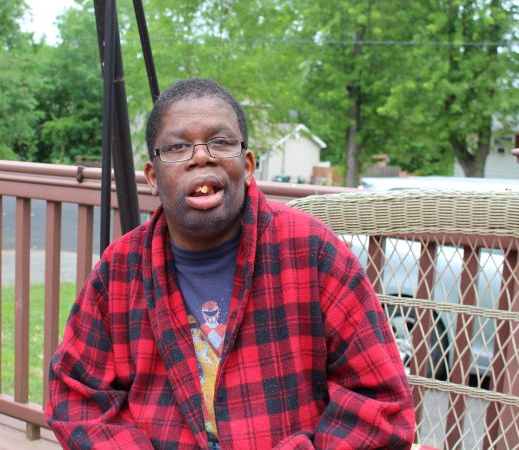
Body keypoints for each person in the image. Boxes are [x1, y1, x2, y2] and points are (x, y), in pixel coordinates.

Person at [45, 78, 415, 449]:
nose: (201, 157)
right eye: (178, 147)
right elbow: (75, 397)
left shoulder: (313, 252)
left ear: (248, 165)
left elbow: (380, 403)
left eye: (220, 142)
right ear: (153, 177)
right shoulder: (120, 270)